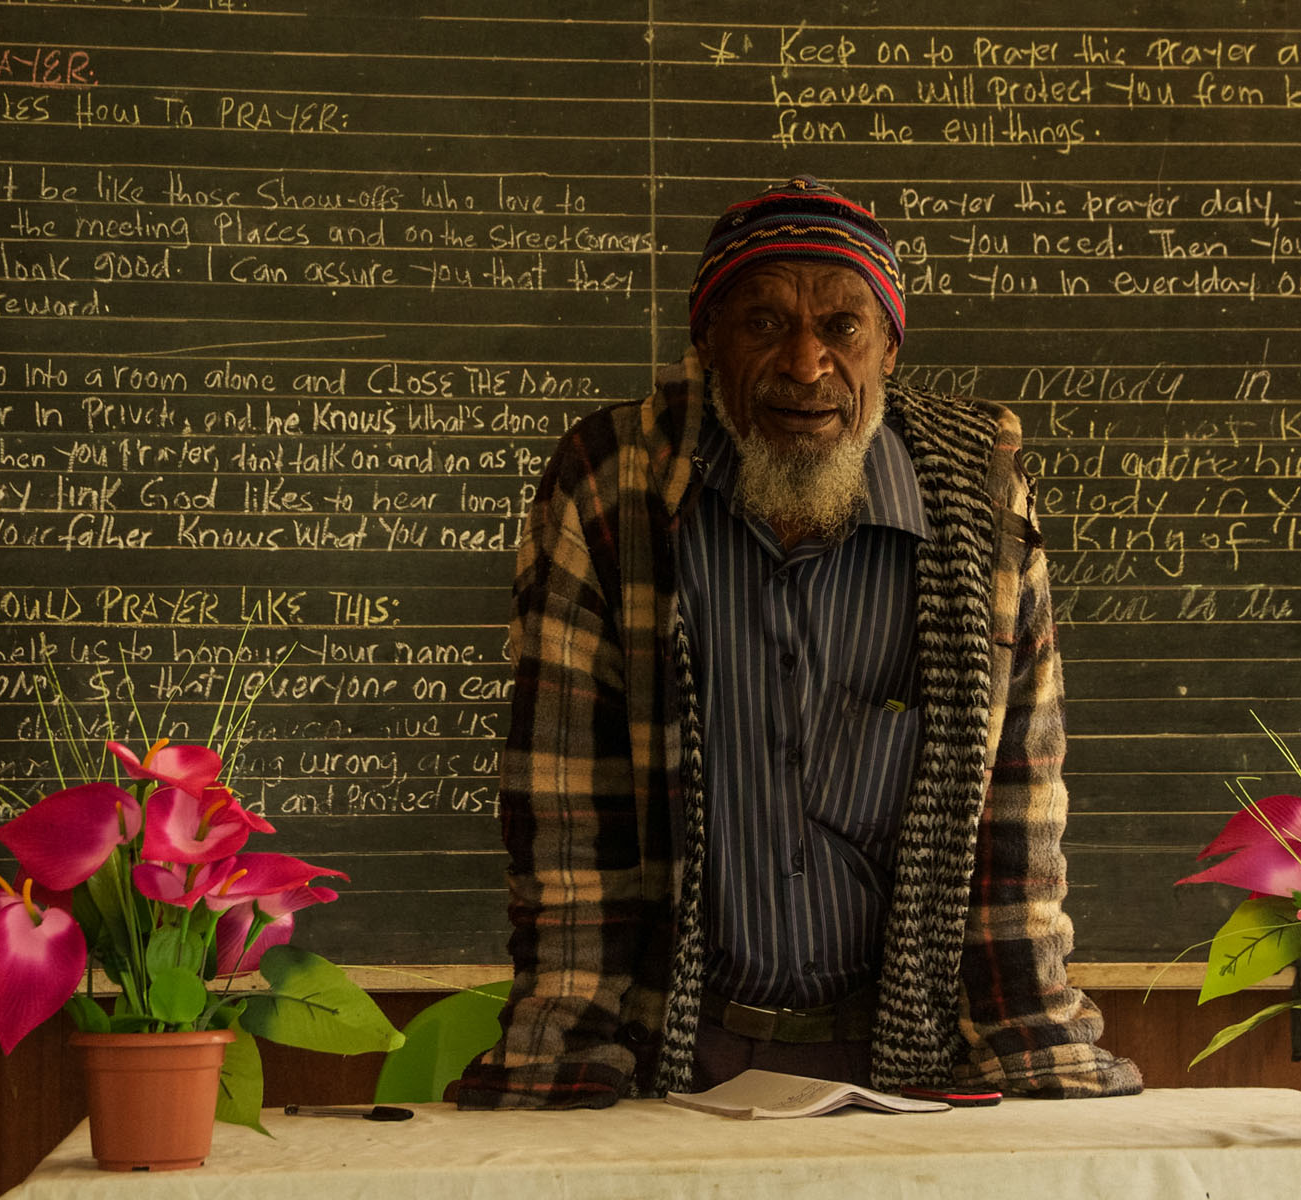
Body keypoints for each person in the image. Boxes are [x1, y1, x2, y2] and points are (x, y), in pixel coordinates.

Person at [455, 176, 1142, 1108]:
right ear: (706, 345)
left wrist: (1038, 1062)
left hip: (917, 1064)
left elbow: (1015, 817)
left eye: (843, 327)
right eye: (763, 324)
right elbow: (569, 816)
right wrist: (560, 1070)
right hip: (675, 1058)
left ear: (890, 347)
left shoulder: (977, 510)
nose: (807, 363)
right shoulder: (613, 487)